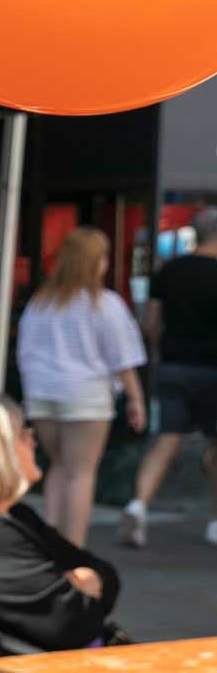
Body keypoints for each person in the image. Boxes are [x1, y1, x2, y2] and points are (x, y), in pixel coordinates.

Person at [0, 390, 124, 657]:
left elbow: (107, 574)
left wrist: (89, 578)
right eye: (23, 434)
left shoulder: (13, 513)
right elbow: (74, 622)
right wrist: (78, 580)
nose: (33, 441)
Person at [15, 227, 147, 547]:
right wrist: (136, 399)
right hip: (86, 396)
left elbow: (24, 352)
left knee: (58, 470)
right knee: (81, 473)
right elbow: (123, 359)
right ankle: (74, 549)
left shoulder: (40, 303)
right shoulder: (105, 303)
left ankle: (51, 544)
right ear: (97, 262)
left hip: (43, 394)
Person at [124, 207, 217, 548]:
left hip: (174, 364)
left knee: (167, 437)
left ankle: (139, 503)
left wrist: (165, 346)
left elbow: (151, 325)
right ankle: (215, 521)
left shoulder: (170, 270)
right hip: (213, 369)